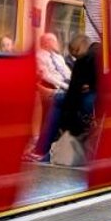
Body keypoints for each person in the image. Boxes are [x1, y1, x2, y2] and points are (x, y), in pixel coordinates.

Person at [26, 33, 72, 162]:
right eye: (54, 41)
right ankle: (43, 146)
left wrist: (72, 83)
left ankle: (45, 147)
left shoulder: (58, 57)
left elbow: (67, 72)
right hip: (54, 86)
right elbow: (47, 76)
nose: (57, 43)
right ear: (46, 42)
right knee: (58, 99)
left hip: (65, 85)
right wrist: (65, 86)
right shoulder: (39, 56)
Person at [59, 34, 100, 137]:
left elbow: (73, 90)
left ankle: (45, 143)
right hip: (101, 96)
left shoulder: (82, 60)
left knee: (57, 99)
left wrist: (65, 124)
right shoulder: (100, 51)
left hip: (89, 102)